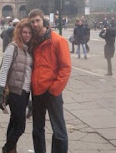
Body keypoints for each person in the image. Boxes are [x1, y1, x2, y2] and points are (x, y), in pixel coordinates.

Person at [28, 9, 71, 153]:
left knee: (58, 130)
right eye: (32, 22)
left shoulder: (58, 40)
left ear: (43, 20)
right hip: (37, 90)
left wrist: (54, 89)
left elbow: (65, 68)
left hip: (52, 91)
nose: (35, 24)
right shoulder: (33, 42)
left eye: (37, 21)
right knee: (37, 130)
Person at [0, 19, 34, 153]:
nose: (27, 35)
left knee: (13, 122)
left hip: (25, 92)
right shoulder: (13, 47)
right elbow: (4, 70)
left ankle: (11, 149)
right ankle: (7, 149)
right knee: (20, 127)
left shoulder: (29, 49)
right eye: (24, 32)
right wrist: (0, 93)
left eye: (29, 32)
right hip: (14, 91)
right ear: (19, 32)